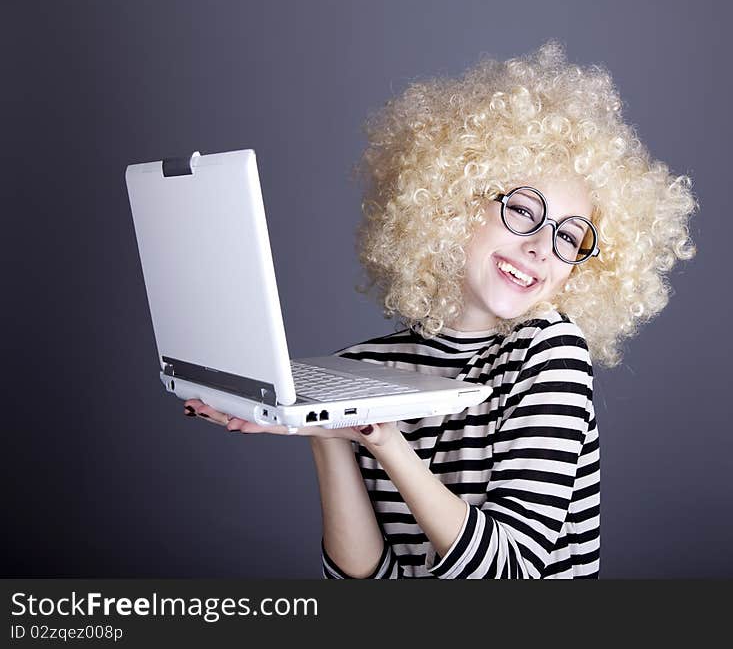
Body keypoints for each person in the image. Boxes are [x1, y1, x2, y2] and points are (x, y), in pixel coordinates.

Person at [185, 40, 698, 578]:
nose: (542, 247)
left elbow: (512, 574)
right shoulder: (364, 369)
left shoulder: (549, 353)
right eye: (523, 211)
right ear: (454, 201)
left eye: (569, 237)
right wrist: (323, 428)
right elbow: (367, 583)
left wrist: (383, 438)